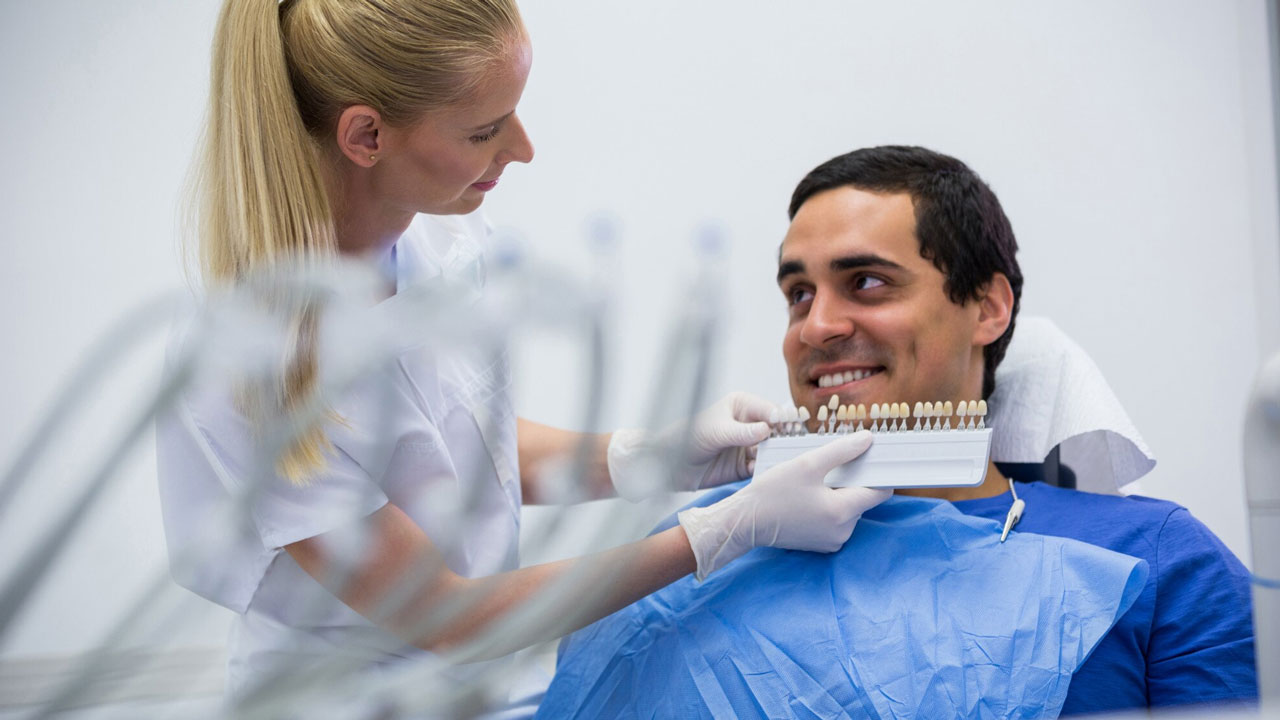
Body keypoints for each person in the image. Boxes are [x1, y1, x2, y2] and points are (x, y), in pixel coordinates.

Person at [154, 0, 889, 714]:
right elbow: (446, 617)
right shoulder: (247, 365)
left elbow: (451, 451)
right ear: (367, 135)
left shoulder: (438, 240)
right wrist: (723, 531)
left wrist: (656, 457)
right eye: (484, 131)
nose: (523, 149)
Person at [538, 145, 1259, 717]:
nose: (816, 327)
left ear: (988, 308)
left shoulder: (1157, 559)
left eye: (867, 282)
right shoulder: (693, 553)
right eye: (798, 294)